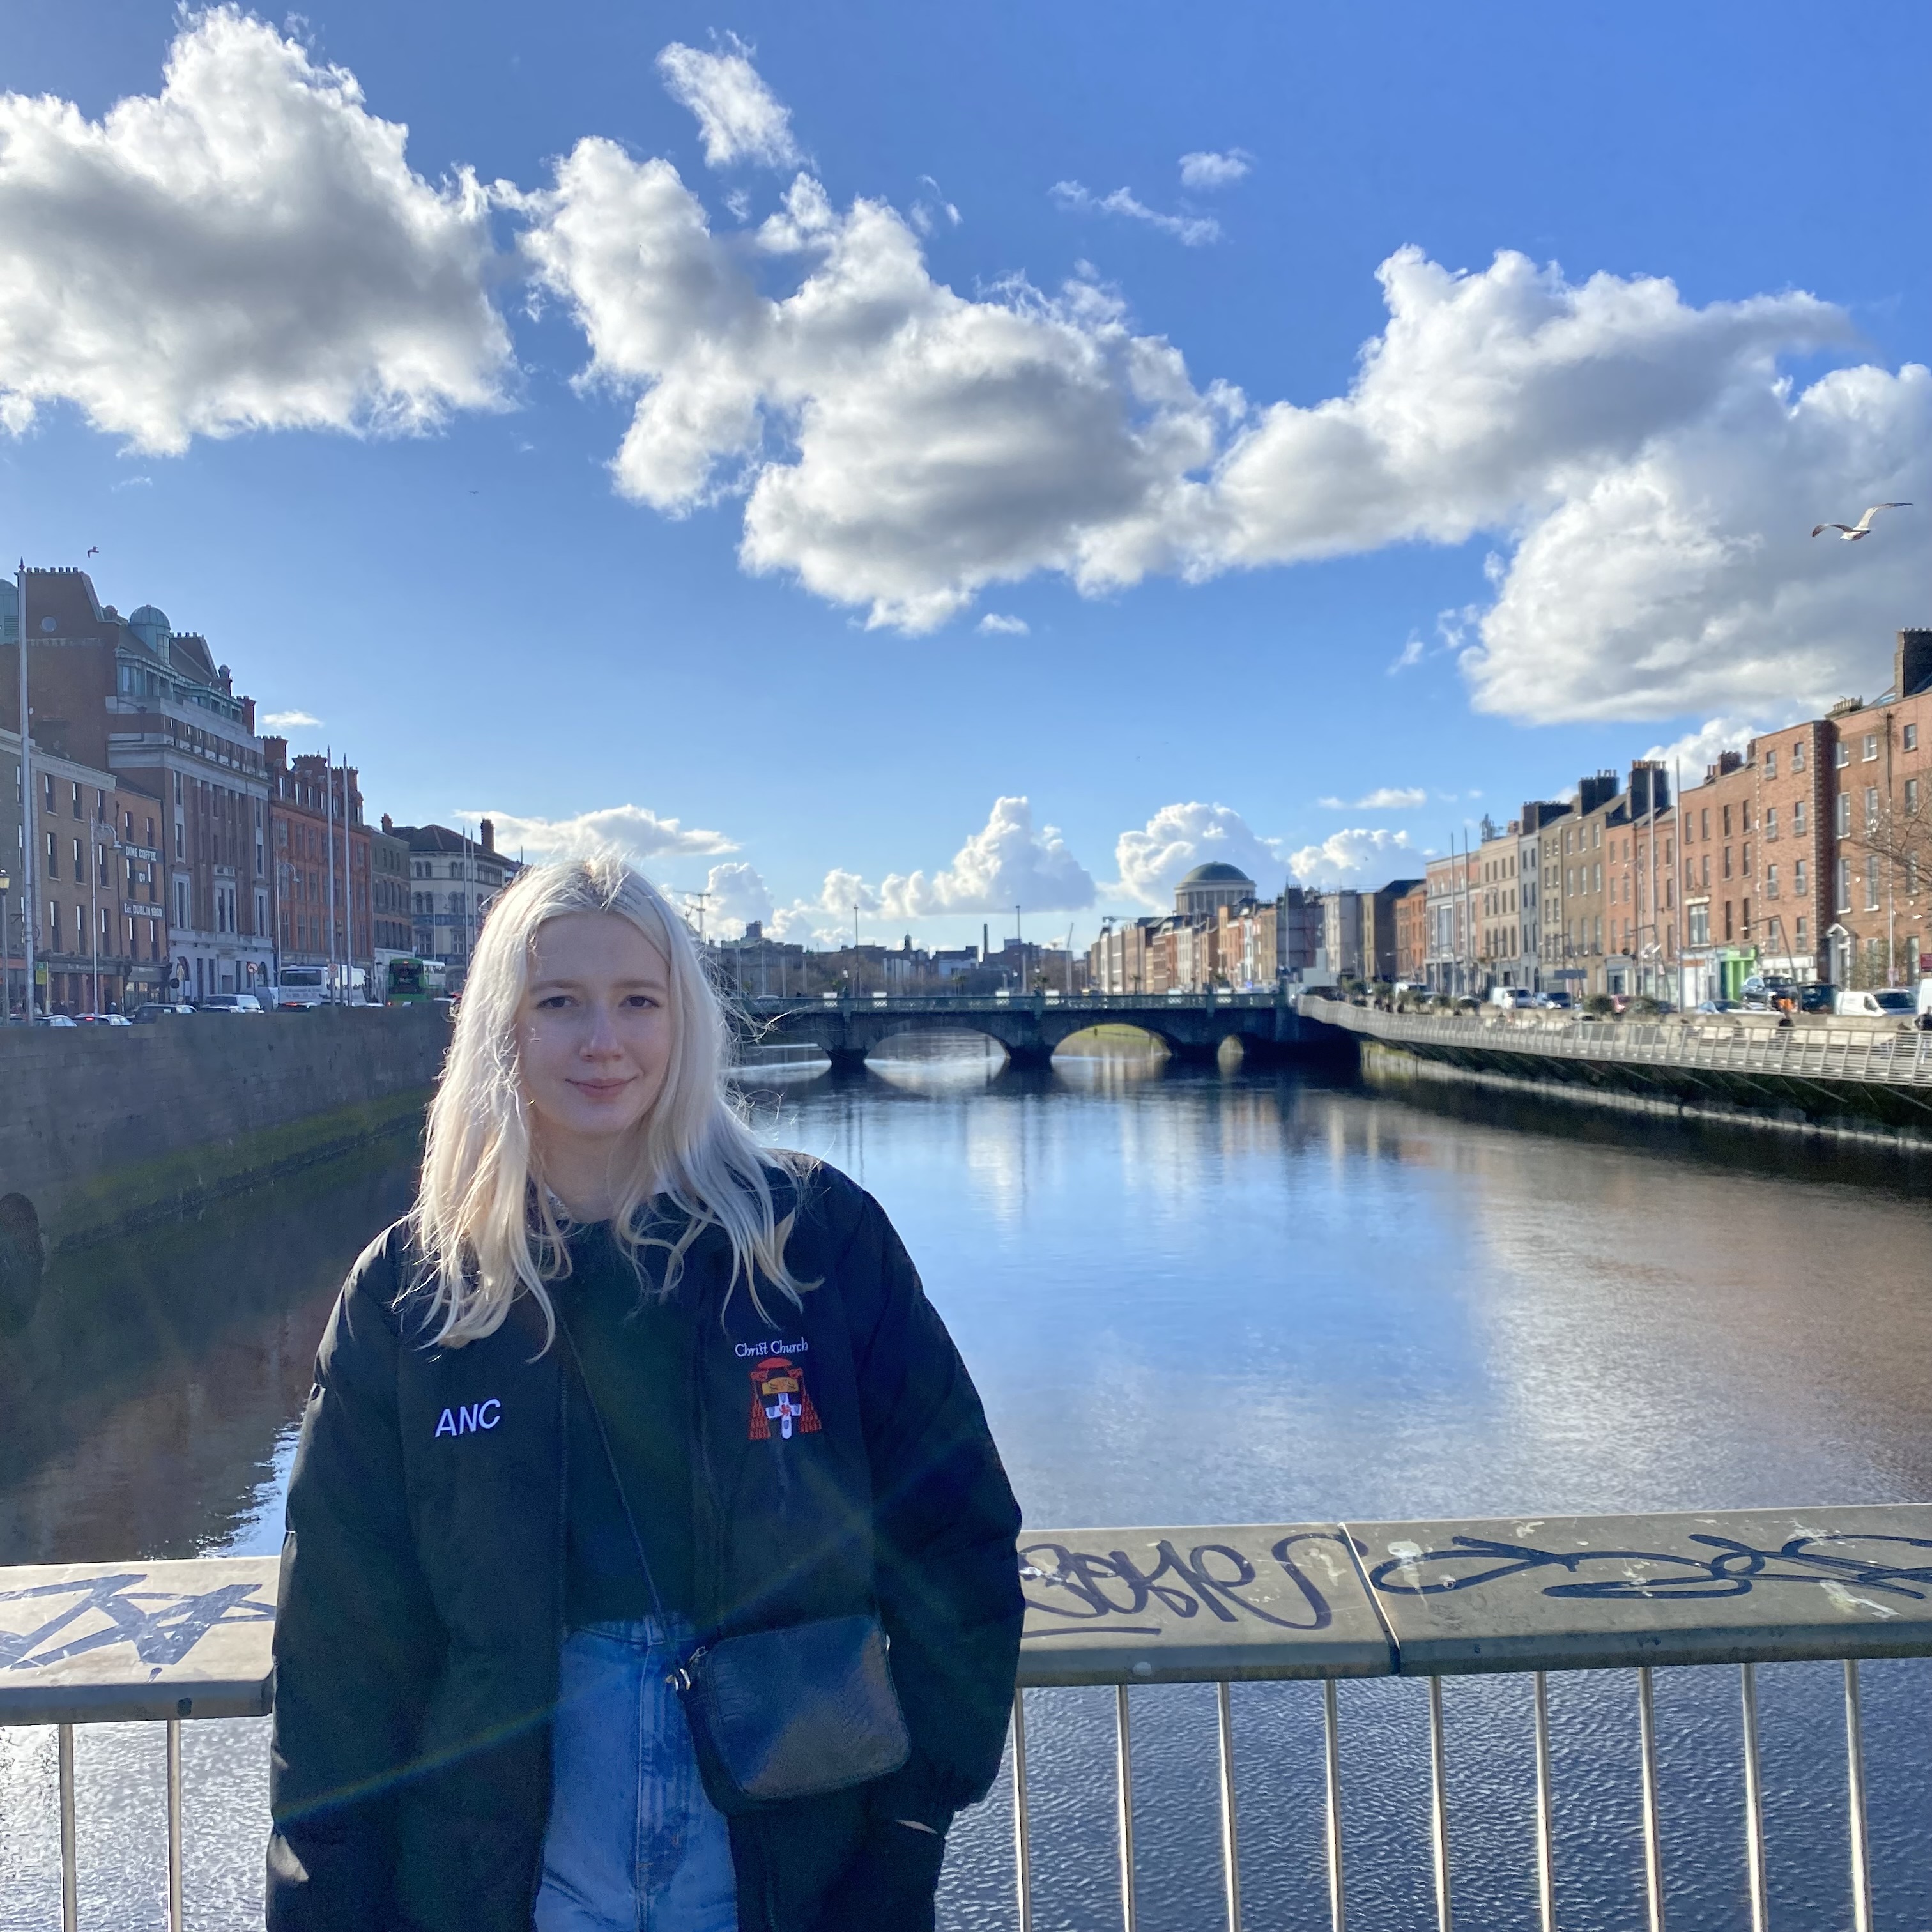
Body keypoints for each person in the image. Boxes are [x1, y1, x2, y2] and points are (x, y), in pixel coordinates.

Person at [266, 855, 1023, 1932]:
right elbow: (341, 1644)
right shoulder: (410, 1292)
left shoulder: (815, 1241)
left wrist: (908, 1827)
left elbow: (958, 1538)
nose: (603, 1041)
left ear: (686, 1022)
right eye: (558, 1003)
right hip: (509, 1876)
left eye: (638, 1001)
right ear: (500, 1027)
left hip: (790, 1867)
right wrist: (324, 1903)